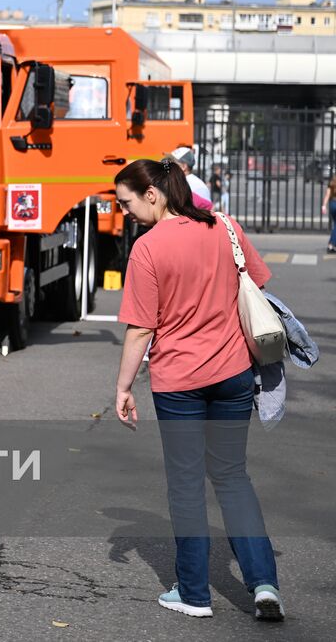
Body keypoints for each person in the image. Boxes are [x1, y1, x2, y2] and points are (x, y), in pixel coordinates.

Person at [112, 157, 284, 621]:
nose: (124, 212)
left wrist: (123, 387)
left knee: (187, 485)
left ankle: (193, 593)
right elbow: (258, 285)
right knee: (232, 476)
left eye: (126, 202)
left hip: (180, 383)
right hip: (233, 374)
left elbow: (140, 328)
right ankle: (264, 584)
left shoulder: (148, 248)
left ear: (152, 194)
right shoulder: (225, 227)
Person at [324, 173, 336, 254]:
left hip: (332, 204)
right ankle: (331, 245)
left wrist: (324, 206)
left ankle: (332, 245)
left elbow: (327, 195)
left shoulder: (331, 184)